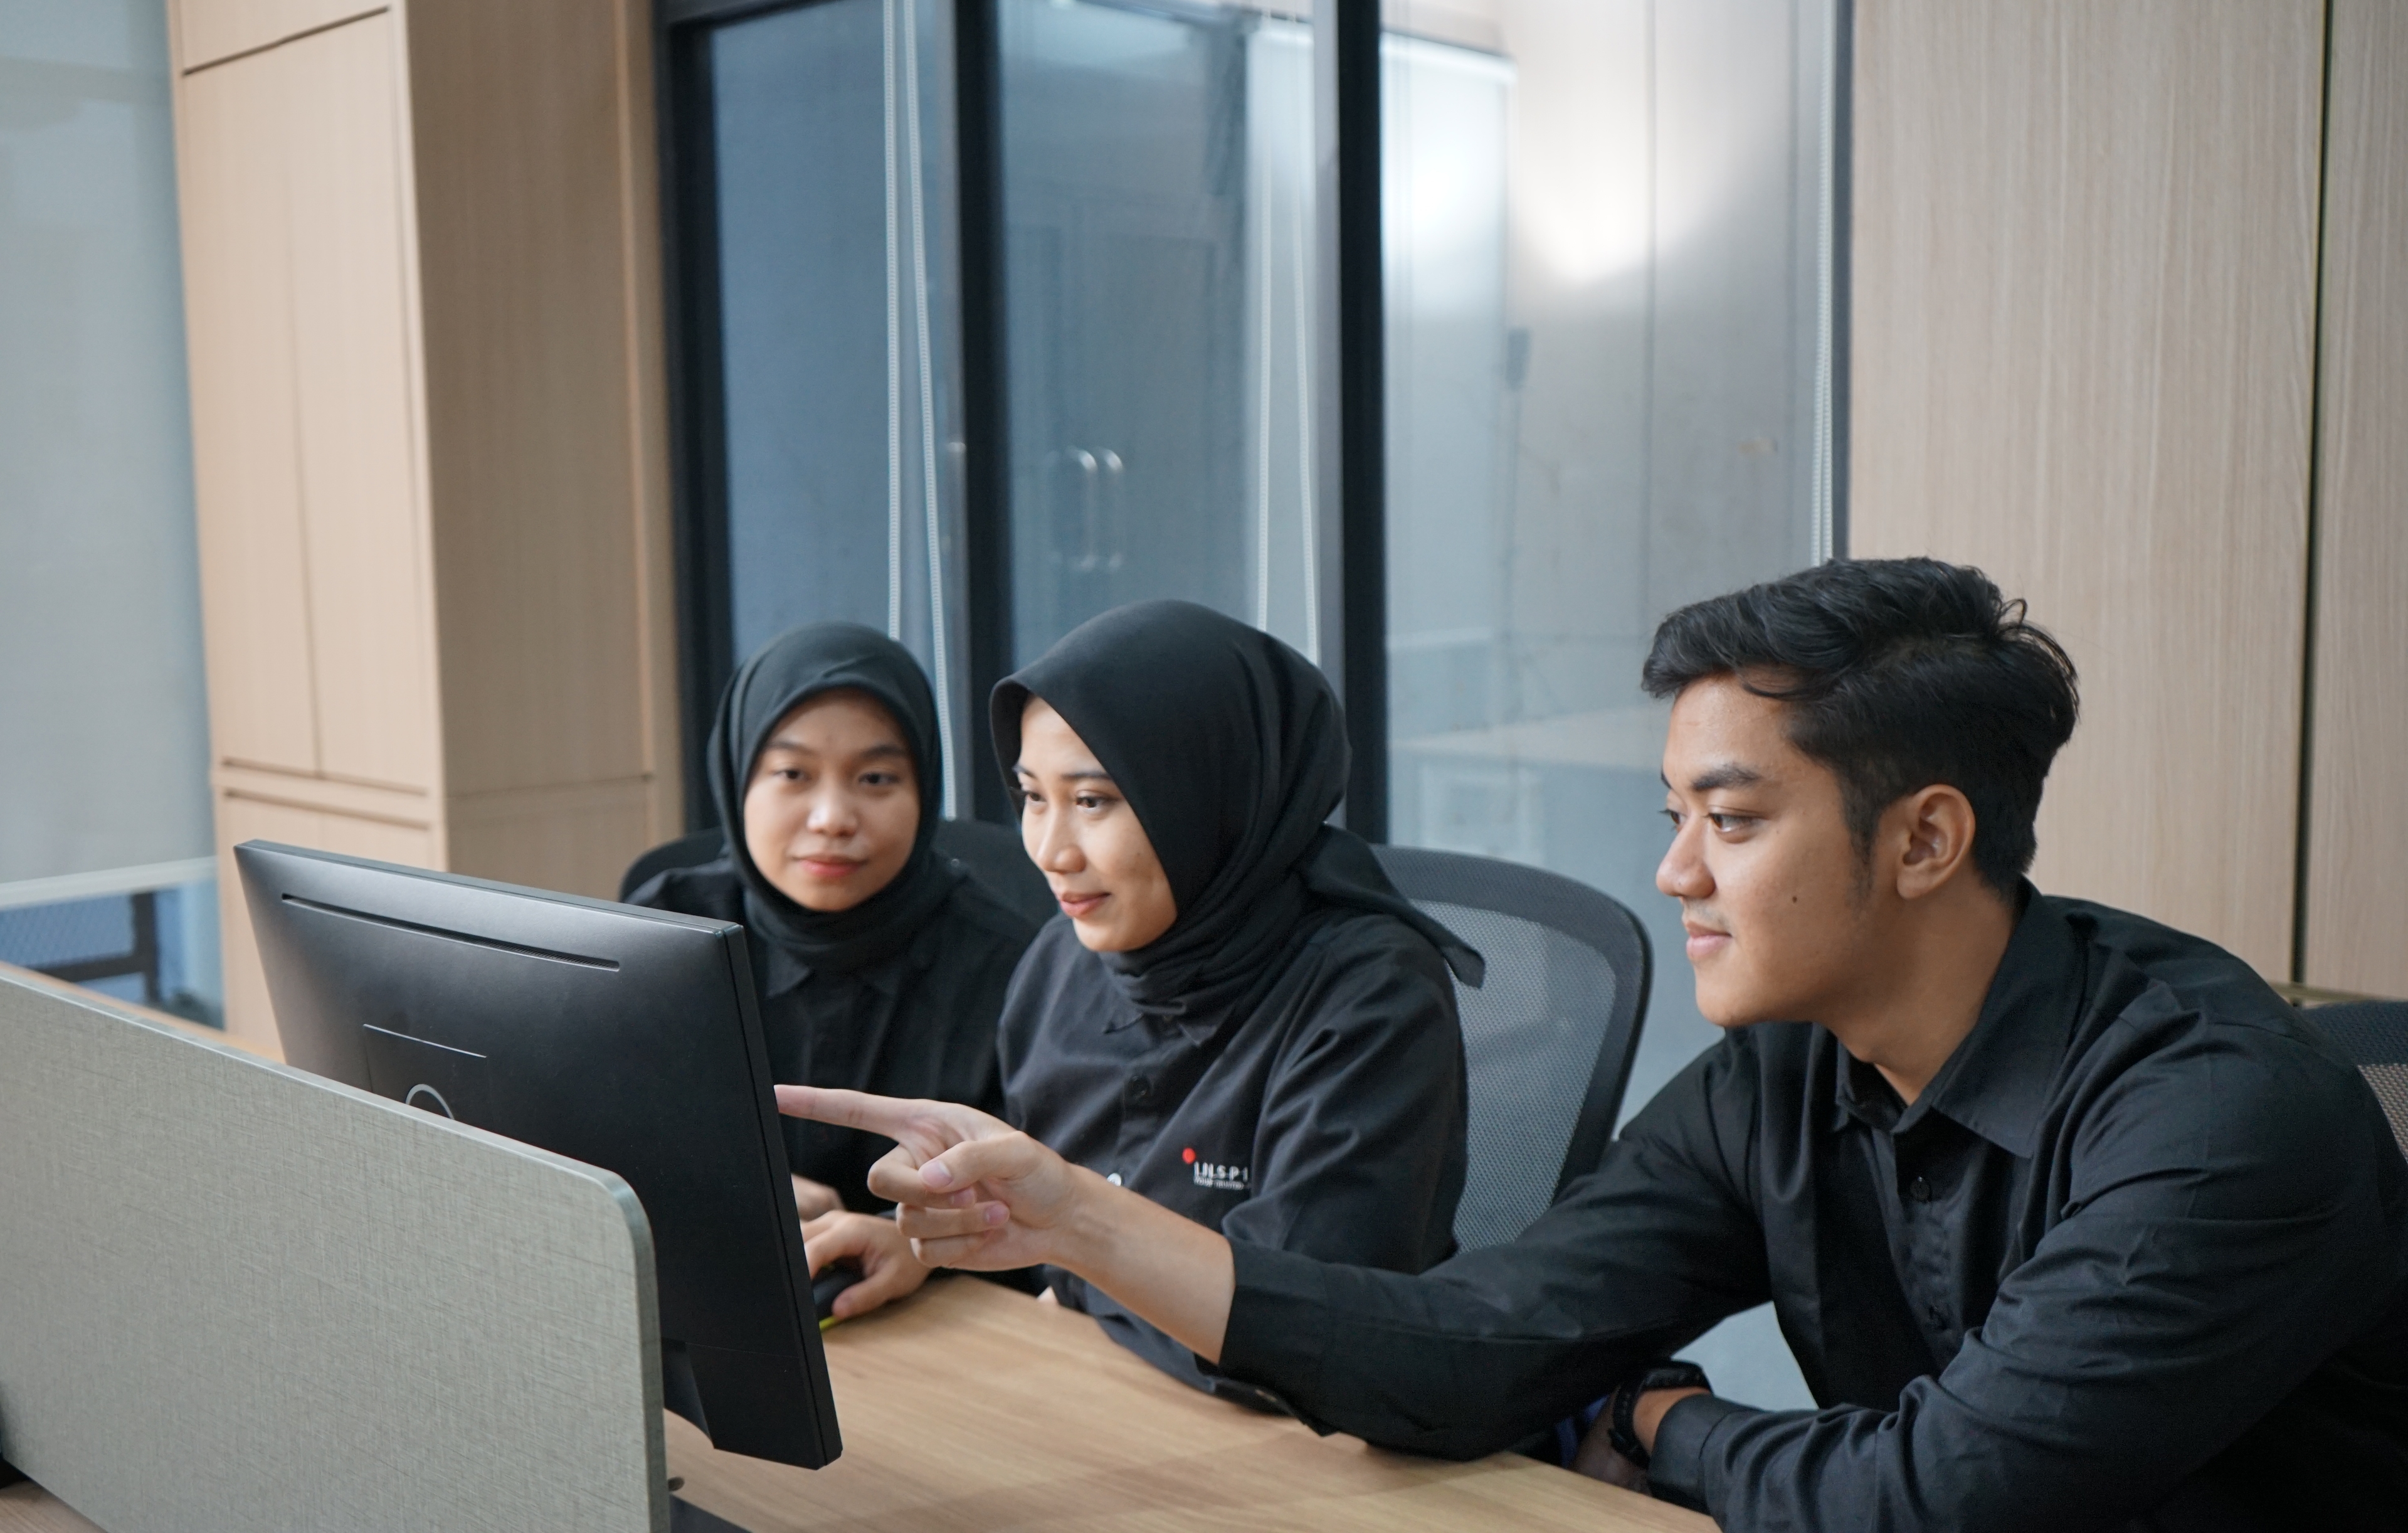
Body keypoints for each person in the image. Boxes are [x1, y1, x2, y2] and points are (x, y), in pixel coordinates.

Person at [778, 560, 2408, 1530]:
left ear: (1921, 842)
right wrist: (1071, 1220)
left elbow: (1942, 1502)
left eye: (1732, 821)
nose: (1674, 875)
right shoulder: (1790, 1069)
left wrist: (1658, 1429)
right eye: (1671, 816)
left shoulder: (2222, 1124)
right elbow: (1488, 1334)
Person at [801, 600, 1482, 1401]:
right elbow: (1048, 1245)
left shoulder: (1369, 996)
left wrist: (1082, 1271)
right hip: (1094, 1405)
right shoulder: (1062, 960)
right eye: (1031, 796)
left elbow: (1294, 1338)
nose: (1051, 851)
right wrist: (928, 1247)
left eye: (1093, 801)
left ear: (1208, 792)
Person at [627, 622, 1035, 1292]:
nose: (832, 817)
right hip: (713, 1292)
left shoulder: (1008, 966)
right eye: (793, 773)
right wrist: (732, 1192)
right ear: (738, 779)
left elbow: (1037, 1207)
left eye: (875, 778)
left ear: (925, 787)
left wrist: (917, 1244)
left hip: (934, 1327)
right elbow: (609, 1125)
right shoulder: (668, 928)